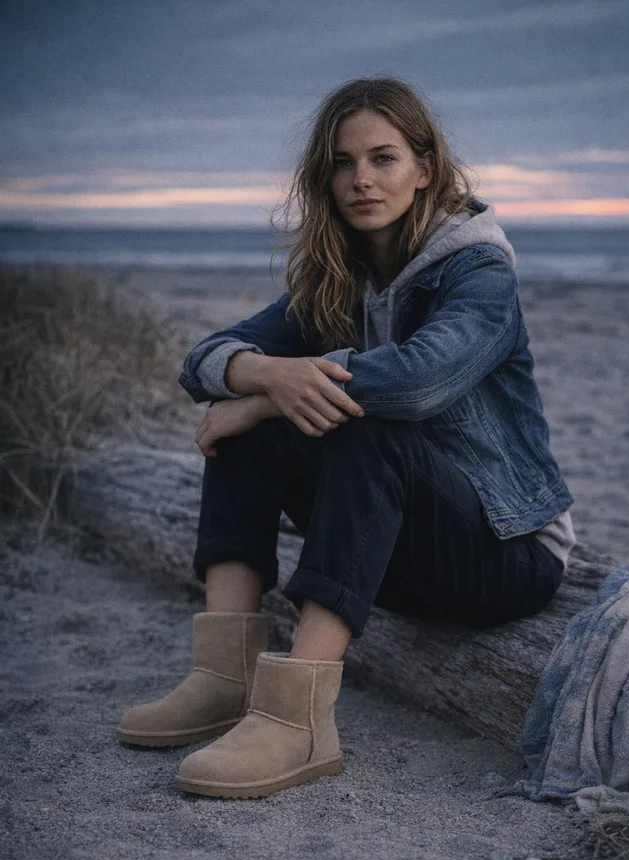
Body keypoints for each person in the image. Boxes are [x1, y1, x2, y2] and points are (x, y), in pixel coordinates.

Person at [118, 77, 575, 800]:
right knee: (248, 431)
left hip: (504, 552)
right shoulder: (340, 278)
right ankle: (224, 677)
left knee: (359, 425)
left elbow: (418, 384)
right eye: (342, 162)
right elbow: (203, 360)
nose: (361, 178)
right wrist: (264, 376)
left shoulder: (479, 273)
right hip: (398, 552)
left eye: (383, 158)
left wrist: (263, 400)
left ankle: (299, 719)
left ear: (424, 169)